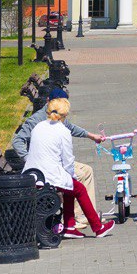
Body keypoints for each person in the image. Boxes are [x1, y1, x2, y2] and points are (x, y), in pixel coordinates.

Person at [11, 87, 104, 233]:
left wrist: (91, 135)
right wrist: (29, 159)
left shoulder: (55, 119)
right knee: (76, 183)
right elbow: (18, 141)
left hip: (52, 163)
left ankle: (78, 219)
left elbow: (72, 128)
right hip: (45, 169)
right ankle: (87, 221)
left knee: (86, 170)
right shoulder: (37, 121)